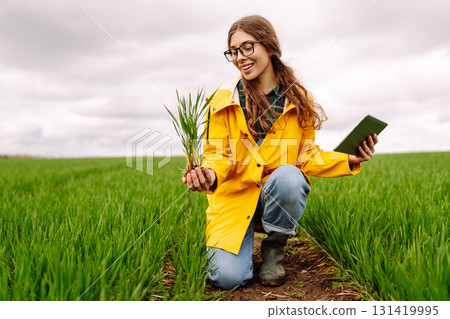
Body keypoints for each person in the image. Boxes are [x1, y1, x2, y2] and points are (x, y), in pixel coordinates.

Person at [182, 15, 378, 290]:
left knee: (290, 176)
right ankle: (239, 246)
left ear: (269, 46)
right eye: (233, 51)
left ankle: (274, 248)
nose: (239, 57)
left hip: (274, 193)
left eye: (247, 47)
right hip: (234, 199)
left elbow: (305, 156)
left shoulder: (298, 101)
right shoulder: (222, 100)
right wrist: (210, 174)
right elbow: (217, 154)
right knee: (227, 279)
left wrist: (348, 158)